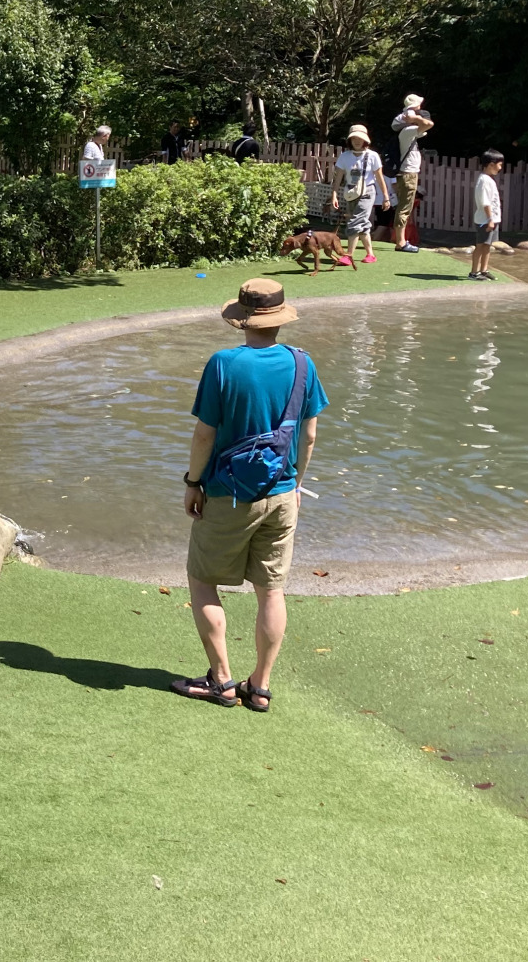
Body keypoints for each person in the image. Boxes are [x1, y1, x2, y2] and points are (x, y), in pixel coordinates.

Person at [171, 279, 329, 712]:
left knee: (203, 580)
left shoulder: (223, 364)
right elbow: (309, 435)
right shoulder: (302, 364)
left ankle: (221, 680)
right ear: (280, 319)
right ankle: (259, 686)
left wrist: (192, 484)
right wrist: (295, 484)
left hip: (228, 493)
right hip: (281, 492)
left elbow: (205, 435)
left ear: (241, 319)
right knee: (271, 591)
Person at [327, 124, 390, 266]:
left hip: (367, 192)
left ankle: (348, 255)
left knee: (355, 222)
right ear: (349, 140)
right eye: (354, 138)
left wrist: (386, 196)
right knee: (362, 224)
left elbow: (379, 177)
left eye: (360, 138)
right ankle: (370, 254)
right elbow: (338, 179)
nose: (357, 141)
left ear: (365, 140)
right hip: (350, 192)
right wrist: (334, 195)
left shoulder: (373, 156)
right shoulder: (344, 156)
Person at [390, 94, 432, 252]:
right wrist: (415, 118)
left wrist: (414, 117)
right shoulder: (407, 131)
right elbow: (429, 124)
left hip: (407, 173)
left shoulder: (407, 130)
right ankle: (401, 242)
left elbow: (425, 127)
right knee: (404, 208)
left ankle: (401, 240)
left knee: (404, 207)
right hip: (408, 173)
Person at [470, 150, 505, 281]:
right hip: (485, 220)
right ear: (491, 164)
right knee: (480, 245)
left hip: (491, 219)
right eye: (499, 165)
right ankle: (474, 272)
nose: (500, 168)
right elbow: (485, 202)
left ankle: (484, 270)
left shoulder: (489, 180)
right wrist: (490, 219)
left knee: (488, 245)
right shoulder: (483, 181)